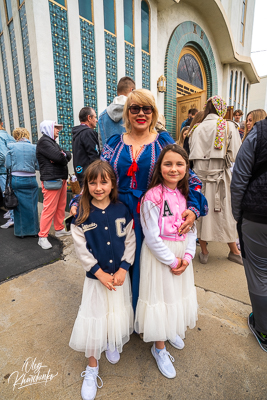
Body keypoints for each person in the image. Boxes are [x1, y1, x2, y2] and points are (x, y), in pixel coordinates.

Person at [69, 160, 136, 400]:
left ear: (112, 184)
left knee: (115, 312)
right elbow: (81, 249)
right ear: (86, 185)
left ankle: (112, 341)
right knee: (94, 317)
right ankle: (91, 367)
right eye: (92, 182)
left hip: (118, 277)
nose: (98, 187)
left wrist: (124, 268)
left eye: (104, 182)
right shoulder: (82, 214)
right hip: (96, 280)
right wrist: (98, 272)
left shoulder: (122, 209)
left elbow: (130, 240)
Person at [135, 144, 202, 378]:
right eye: (168, 164)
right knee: (161, 298)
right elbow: (151, 236)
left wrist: (188, 256)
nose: (174, 169)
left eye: (179, 164)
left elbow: (191, 229)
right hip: (160, 256)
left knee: (175, 295)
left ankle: (171, 327)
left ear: (187, 167)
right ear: (159, 167)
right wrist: (172, 261)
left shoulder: (187, 197)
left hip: (181, 253)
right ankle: (159, 347)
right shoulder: (152, 196)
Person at [189, 95, 242, 265]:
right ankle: (234, 251)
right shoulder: (227, 126)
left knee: (201, 214)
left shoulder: (196, 128)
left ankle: (204, 252)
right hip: (220, 179)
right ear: (222, 109)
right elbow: (236, 155)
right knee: (225, 214)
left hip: (199, 179)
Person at [231, 118, 267, 353]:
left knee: (258, 271)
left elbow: (240, 176)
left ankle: (263, 328)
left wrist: (237, 213)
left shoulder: (260, 132)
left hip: (257, 214)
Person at [36, 120, 72, 249]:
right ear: (48, 128)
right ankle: (42, 237)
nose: (58, 130)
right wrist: (62, 156)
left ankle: (59, 229)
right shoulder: (44, 142)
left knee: (60, 206)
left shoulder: (51, 142)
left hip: (59, 179)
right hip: (52, 179)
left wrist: (63, 155)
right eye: (56, 128)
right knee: (49, 209)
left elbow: (66, 155)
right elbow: (61, 158)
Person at [5, 128, 39, 237]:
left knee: (18, 207)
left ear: (16, 136)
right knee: (32, 206)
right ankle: (34, 231)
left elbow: (8, 165)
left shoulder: (11, 146)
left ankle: (21, 232)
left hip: (16, 179)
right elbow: (38, 166)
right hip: (31, 179)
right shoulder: (34, 147)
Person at [98, 76, 135, 144]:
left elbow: (101, 147)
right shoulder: (136, 113)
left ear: (118, 92)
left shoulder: (102, 117)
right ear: (131, 90)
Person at [72, 107, 100, 187]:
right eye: (95, 117)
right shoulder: (88, 133)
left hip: (81, 174)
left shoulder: (77, 133)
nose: (96, 120)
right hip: (90, 177)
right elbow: (94, 156)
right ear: (89, 118)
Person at [0, 119, 16, 228]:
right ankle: (11, 214)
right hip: (12, 169)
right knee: (11, 192)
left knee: (7, 193)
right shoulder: (9, 136)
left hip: (3, 170)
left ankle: (12, 218)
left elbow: (2, 155)